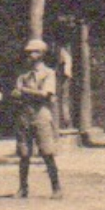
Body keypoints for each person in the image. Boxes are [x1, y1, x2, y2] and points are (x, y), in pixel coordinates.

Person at [12, 38, 62, 199]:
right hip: (24, 114)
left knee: (47, 152)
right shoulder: (23, 74)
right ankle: (23, 188)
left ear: (42, 54)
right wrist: (19, 94)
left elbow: (45, 94)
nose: (29, 55)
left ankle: (56, 187)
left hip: (41, 115)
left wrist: (24, 91)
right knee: (24, 153)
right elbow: (16, 94)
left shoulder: (48, 73)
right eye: (28, 52)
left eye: (33, 52)